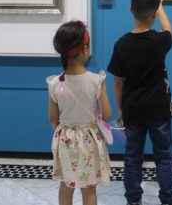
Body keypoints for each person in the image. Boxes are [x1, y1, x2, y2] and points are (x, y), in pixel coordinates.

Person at [107, 0, 172, 205]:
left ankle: (133, 199)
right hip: (159, 108)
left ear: (130, 9)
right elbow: (168, 29)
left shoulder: (121, 44)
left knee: (132, 157)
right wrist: (161, 9)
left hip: (133, 109)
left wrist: (121, 108)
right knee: (164, 156)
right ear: (154, 15)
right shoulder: (160, 41)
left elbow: (118, 81)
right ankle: (168, 199)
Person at [47, 20, 113, 205]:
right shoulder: (96, 80)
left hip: (65, 138)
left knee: (65, 186)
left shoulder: (55, 83)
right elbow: (107, 114)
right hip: (89, 139)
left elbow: (52, 118)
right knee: (89, 188)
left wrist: (64, 131)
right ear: (85, 49)